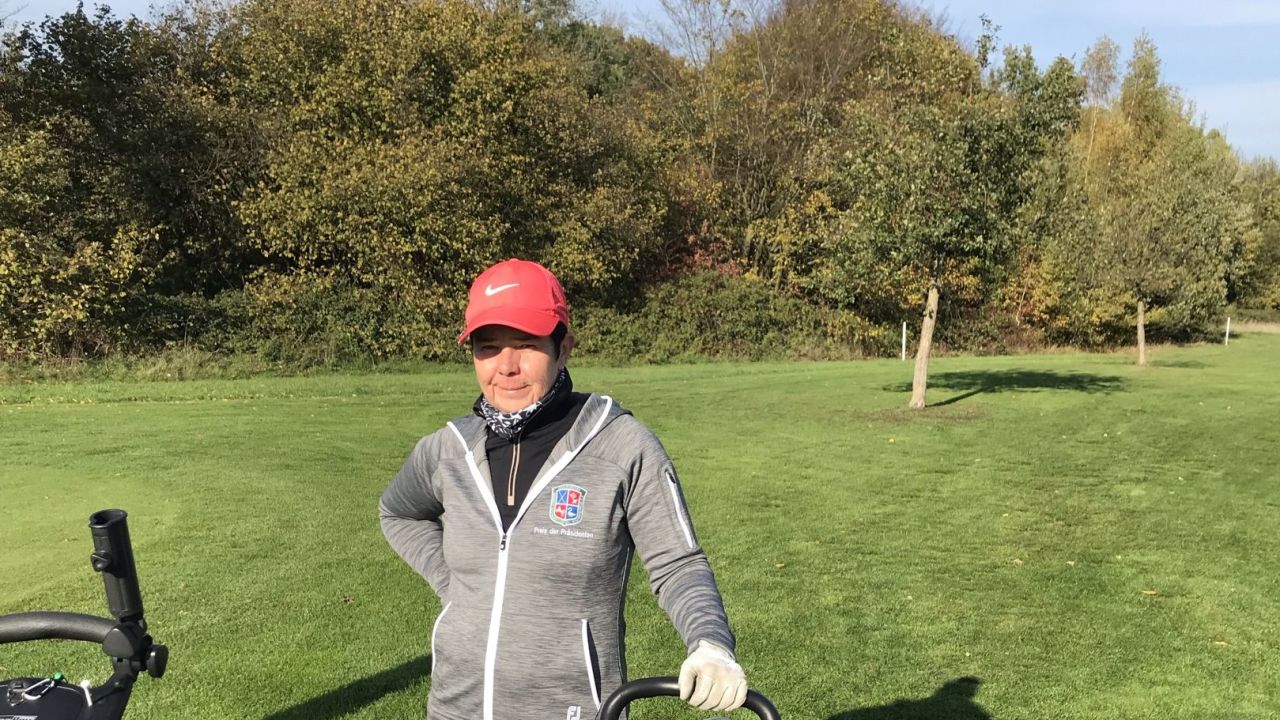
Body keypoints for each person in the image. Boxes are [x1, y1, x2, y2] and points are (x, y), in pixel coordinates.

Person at [380, 258, 748, 720]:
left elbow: (679, 564)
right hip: (454, 709)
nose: (506, 367)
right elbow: (398, 512)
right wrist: (453, 584)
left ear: (564, 347)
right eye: (488, 347)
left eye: (526, 345)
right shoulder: (448, 449)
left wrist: (711, 644)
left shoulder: (621, 446)